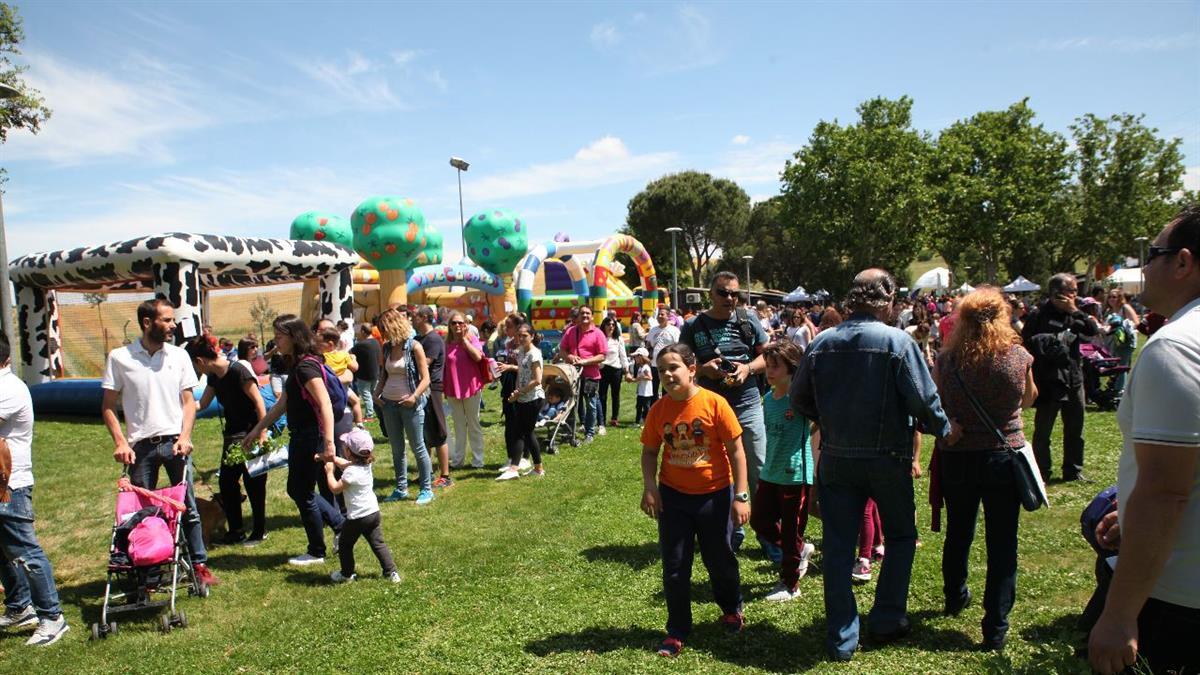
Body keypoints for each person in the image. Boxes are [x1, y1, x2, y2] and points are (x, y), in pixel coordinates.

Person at [790, 269, 956, 662]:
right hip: (888, 457)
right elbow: (923, 400)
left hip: (837, 457)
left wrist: (829, 421)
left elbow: (798, 399)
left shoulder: (823, 343)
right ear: (888, 299)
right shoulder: (897, 342)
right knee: (899, 537)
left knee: (838, 548)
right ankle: (886, 619)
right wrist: (944, 429)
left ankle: (841, 638)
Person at [1088, 205, 1200, 675]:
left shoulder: (1176, 347)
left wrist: (1117, 615)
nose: (1145, 265)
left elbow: (1165, 491)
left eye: (1153, 252)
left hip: (1176, 596)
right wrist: (1133, 514)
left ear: (1183, 262)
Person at [932, 287, 1037, 651]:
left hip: (958, 454)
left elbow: (936, 402)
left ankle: (954, 594)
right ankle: (996, 626)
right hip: (1003, 456)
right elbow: (1028, 398)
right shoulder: (1018, 356)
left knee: (959, 531)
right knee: (1002, 543)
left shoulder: (946, 362)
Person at [639, 344, 750, 658]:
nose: (668, 375)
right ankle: (677, 629)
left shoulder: (714, 403)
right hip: (673, 498)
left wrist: (741, 496)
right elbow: (649, 453)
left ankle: (731, 609)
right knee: (675, 567)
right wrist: (650, 488)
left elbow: (737, 451)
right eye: (662, 370)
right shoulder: (659, 410)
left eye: (674, 367)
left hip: (715, 496)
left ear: (692, 369)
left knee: (720, 559)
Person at [101, 299, 219, 586]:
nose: (173, 325)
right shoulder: (120, 358)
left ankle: (198, 565)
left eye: (172, 320)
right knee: (140, 512)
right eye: (166, 320)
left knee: (187, 508)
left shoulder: (178, 356)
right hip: (139, 447)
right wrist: (121, 442)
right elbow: (107, 406)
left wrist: (185, 436)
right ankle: (146, 569)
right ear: (147, 323)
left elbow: (189, 403)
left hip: (175, 444)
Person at [678, 271, 771, 555]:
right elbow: (682, 362)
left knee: (759, 468)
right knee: (721, 471)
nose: (730, 299)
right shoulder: (694, 325)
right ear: (710, 293)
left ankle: (768, 532)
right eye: (723, 293)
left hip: (748, 404)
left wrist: (747, 369)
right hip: (710, 410)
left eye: (735, 294)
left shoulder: (747, 319)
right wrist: (703, 370)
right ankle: (733, 531)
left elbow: (768, 355)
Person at [244, 314, 345, 565]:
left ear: (294, 337)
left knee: (301, 490)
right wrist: (258, 429)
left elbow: (324, 404)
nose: (276, 342)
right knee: (299, 489)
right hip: (302, 435)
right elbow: (282, 404)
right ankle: (338, 528)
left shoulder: (306, 367)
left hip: (311, 437)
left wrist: (329, 442)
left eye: (279, 336)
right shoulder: (297, 364)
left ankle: (318, 548)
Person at [0, 334, 69, 646]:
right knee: (4, 550)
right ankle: (19, 606)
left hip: (9, 484)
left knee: (26, 550)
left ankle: (52, 617)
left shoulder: (8, 388)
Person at [187, 336, 269, 546]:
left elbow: (259, 402)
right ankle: (236, 530)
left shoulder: (238, 372)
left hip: (251, 433)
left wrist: (261, 432)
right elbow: (203, 403)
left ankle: (259, 531)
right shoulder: (214, 377)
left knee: (254, 483)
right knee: (227, 482)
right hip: (232, 437)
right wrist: (183, 410)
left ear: (200, 360)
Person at [750, 340, 817, 603]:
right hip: (770, 471)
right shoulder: (768, 399)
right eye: (767, 366)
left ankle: (790, 584)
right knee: (759, 521)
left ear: (792, 368)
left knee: (790, 532)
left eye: (775, 367)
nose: (769, 371)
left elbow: (818, 421)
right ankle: (799, 551)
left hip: (795, 474)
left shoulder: (800, 399)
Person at [1021, 273, 1100, 483]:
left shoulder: (1075, 313)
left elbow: (1093, 330)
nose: (1075, 295)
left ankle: (1073, 471)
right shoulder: (1039, 314)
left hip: (1073, 377)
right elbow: (1026, 342)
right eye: (1071, 291)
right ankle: (1042, 472)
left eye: (1075, 291)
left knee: (1076, 427)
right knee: (1043, 430)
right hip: (1049, 380)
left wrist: (1074, 310)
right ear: (1057, 293)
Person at [322, 427, 401, 583]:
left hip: (358, 517)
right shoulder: (365, 464)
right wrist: (331, 459)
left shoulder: (351, 473)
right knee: (378, 543)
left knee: (345, 544)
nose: (343, 447)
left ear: (349, 452)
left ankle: (346, 574)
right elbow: (346, 464)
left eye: (346, 446)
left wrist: (329, 471)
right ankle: (391, 572)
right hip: (373, 513)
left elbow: (335, 489)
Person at [374, 308, 434, 505]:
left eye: (384, 328)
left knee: (418, 447)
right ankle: (401, 488)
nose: (382, 333)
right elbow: (385, 374)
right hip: (389, 405)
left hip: (410, 405)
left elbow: (425, 379)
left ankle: (426, 489)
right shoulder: (387, 347)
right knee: (397, 449)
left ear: (393, 326)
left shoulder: (414, 346)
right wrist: (377, 393)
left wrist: (413, 397)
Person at [499, 323, 546, 481]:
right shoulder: (520, 352)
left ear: (532, 336)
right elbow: (521, 372)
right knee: (525, 432)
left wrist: (520, 392)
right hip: (523, 397)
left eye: (524, 335)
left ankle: (514, 468)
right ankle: (537, 468)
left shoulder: (535, 354)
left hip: (534, 398)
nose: (520, 338)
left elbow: (537, 380)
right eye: (518, 335)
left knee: (522, 432)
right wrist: (516, 392)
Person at [413, 307, 453, 488]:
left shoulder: (434, 339)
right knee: (423, 433)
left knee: (438, 431)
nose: (412, 319)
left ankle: (445, 475)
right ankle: (426, 472)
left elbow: (424, 364)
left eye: (415, 316)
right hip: (418, 388)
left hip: (433, 389)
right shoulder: (417, 339)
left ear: (423, 317)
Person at [443, 311, 486, 468]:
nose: (457, 326)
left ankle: (478, 460)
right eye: (453, 323)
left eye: (460, 323)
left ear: (466, 325)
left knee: (473, 423)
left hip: (471, 387)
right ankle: (458, 460)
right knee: (458, 425)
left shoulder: (472, 339)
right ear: (450, 326)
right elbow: (444, 366)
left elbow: (478, 357)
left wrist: (464, 341)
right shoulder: (446, 343)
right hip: (453, 388)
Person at [556, 306, 606, 444]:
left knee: (591, 404)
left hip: (591, 375)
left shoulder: (598, 333)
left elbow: (602, 356)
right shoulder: (571, 331)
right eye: (582, 313)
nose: (584, 315)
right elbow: (562, 350)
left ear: (592, 316)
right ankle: (570, 431)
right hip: (573, 374)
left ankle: (589, 432)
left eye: (587, 313)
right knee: (571, 403)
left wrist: (585, 362)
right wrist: (571, 357)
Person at [1102, 288, 1139, 394]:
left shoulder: (1125, 308)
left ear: (1120, 298)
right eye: (1109, 297)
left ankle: (1120, 390)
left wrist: (1120, 326)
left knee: (1121, 365)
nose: (1111, 299)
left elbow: (1136, 323)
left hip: (1125, 342)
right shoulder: (1108, 311)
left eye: (1114, 297)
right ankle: (1116, 386)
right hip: (1111, 342)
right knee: (1114, 365)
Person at [598, 316, 632, 430]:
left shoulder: (618, 339)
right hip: (603, 369)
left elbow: (623, 356)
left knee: (615, 395)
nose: (611, 327)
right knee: (602, 395)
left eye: (613, 325)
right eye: (608, 324)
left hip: (616, 369)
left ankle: (614, 418)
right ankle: (601, 419)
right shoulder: (600, 338)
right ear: (604, 326)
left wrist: (626, 370)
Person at [645, 307, 680, 400]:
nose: (659, 316)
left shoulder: (674, 331)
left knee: (667, 388)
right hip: (654, 364)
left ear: (668, 316)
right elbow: (648, 345)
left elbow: (678, 347)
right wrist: (648, 356)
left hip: (669, 365)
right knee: (653, 389)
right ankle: (654, 410)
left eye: (662, 314)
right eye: (658, 314)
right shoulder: (653, 330)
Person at [350, 324, 381, 421]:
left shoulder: (361, 344)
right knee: (374, 394)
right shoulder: (376, 342)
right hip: (376, 372)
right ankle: (379, 412)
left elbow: (349, 353)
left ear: (363, 331)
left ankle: (369, 415)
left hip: (364, 374)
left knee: (366, 395)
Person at [633, 347, 654, 425]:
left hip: (646, 392)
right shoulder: (640, 368)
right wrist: (633, 379)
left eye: (636, 357)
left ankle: (648, 421)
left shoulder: (645, 368)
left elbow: (650, 377)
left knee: (646, 407)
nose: (635, 358)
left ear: (641, 357)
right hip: (641, 391)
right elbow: (638, 379)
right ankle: (637, 422)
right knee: (638, 407)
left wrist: (641, 377)